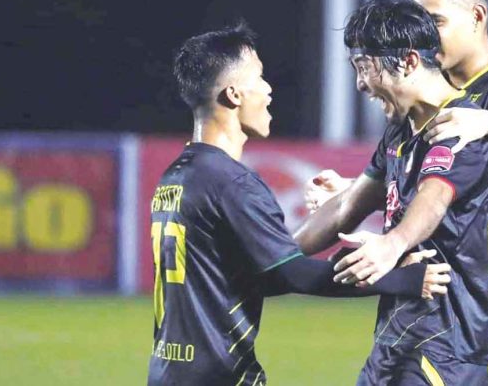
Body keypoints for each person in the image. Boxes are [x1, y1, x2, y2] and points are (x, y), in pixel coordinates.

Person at [146, 23, 451, 386]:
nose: (269, 90)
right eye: (259, 78)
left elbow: (266, 278)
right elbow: (294, 274)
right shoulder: (232, 183)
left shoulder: (175, 177)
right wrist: (402, 278)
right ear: (234, 94)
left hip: (167, 374)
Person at [305, 0, 488, 386]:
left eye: (435, 20)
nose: (426, 33)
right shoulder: (409, 108)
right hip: (424, 305)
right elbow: (412, 184)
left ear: (476, 17)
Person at [296, 0, 488, 384]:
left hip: (445, 345)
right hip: (396, 335)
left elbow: (435, 196)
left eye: (364, 67)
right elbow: (345, 209)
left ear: (407, 61)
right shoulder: (399, 131)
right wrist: (273, 255)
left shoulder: (464, 125)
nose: (359, 84)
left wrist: (392, 244)